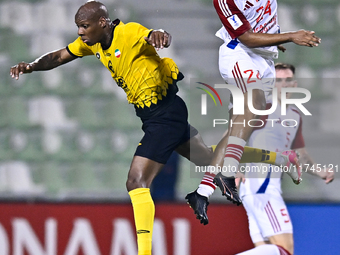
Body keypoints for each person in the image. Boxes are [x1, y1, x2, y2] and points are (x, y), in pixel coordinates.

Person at [8, 1, 308, 254]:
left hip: (164, 115)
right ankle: (281, 158)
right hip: (156, 115)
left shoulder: (127, 32)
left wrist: (159, 36)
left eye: (84, 26)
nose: (80, 33)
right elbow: (59, 56)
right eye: (78, 27)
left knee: (136, 181)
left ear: (102, 22)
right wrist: (31, 66)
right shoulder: (92, 44)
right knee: (209, 158)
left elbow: (153, 34)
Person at [192, 63, 335, 255]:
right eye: (277, 81)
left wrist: (320, 172)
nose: (283, 85)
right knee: (284, 250)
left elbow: (300, 155)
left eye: (287, 80)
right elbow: (228, 139)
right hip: (260, 186)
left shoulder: (294, 115)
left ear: (294, 84)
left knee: (269, 251)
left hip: (265, 188)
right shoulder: (259, 108)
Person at [192, 0, 322, 208]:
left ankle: (202, 192)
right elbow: (246, 38)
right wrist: (290, 36)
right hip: (239, 54)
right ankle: (227, 173)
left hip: (265, 61)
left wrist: (272, 39)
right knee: (256, 102)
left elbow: (261, 16)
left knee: (237, 129)